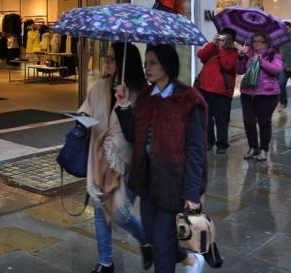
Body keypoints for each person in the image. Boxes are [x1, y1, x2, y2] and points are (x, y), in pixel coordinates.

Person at [115, 44, 207, 273]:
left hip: (173, 184)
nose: (147, 68)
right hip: (147, 183)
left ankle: (179, 258)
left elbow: (196, 149)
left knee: (162, 247)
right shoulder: (146, 97)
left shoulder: (188, 99)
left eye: (153, 63)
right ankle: (188, 258)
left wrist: (192, 192)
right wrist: (124, 105)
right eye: (146, 63)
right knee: (152, 235)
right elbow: (133, 136)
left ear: (167, 64)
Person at [78, 43, 151, 273]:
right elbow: (86, 109)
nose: (106, 62)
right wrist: (80, 120)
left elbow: (135, 135)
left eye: (111, 58)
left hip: (127, 162)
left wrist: (125, 104)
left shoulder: (140, 94)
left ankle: (146, 240)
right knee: (101, 209)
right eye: (106, 57)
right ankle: (105, 262)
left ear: (124, 63)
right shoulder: (99, 87)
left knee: (120, 214)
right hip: (100, 158)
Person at [237, 32, 283, 161]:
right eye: (254, 41)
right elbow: (239, 71)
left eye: (260, 41)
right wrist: (241, 58)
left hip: (267, 94)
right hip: (247, 93)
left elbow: (277, 70)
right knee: (248, 121)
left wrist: (260, 61)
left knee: (264, 122)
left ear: (267, 43)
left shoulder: (274, 56)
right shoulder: (248, 55)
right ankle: (253, 147)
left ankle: (264, 149)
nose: (256, 44)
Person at [196, 29, 238, 154]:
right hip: (204, 88)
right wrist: (213, 43)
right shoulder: (213, 48)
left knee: (222, 119)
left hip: (222, 92)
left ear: (233, 40)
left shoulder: (234, 53)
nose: (225, 41)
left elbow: (228, 66)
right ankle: (209, 141)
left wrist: (221, 50)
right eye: (223, 37)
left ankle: (222, 144)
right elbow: (201, 55)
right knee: (206, 118)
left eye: (228, 39)